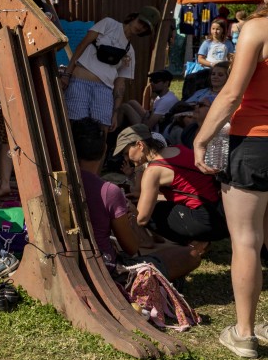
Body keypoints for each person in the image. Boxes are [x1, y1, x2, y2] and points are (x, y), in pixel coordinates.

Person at [193, 0, 268, 358]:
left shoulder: (258, 29)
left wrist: (201, 139)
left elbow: (230, 94)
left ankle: (244, 332)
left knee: (246, 240)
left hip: (254, 143)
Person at [72, 118, 205, 279]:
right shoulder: (108, 191)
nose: (126, 158)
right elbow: (132, 247)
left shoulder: (60, 182)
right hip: (108, 271)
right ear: (103, 149)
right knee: (189, 255)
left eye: (126, 152)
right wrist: (131, 214)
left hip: (75, 266)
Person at [113, 124, 227, 246]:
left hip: (208, 221)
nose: (126, 158)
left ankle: (194, 243)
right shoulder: (177, 149)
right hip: (223, 213)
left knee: (147, 211)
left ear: (140, 145)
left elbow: (141, 219)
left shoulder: (153, 171)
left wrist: (128, 207)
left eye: (126, 153)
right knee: (156, 205)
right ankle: (196, 240)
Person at [60, 6, 160, 129]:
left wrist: (115, 113)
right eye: (141, 22)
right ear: (134, 17)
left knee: (102, 131)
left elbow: (120, 84)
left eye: (145, 27)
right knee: (76, 127)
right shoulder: (109, 24)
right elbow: (82, 46)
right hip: (80, 82)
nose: (140, 27)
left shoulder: (130, 51)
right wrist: (67, 74)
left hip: (104, 90)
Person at [113, 69, 178, 131]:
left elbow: (148, 126)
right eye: (151, 80)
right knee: (132, 102)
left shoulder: (166, 101)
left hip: (152, 132)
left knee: (124, 107)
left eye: (156, 81)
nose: (152, 83)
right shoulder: (163, 96)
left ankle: (115, 132)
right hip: (153, 123)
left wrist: (144, 119)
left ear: (166, 83)